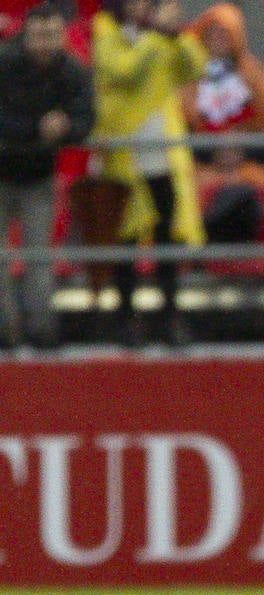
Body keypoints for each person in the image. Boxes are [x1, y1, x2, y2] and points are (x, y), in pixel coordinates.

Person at [91, 0, 206, 346]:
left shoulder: (164, 38)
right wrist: (158, 36)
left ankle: (169, 315)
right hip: (123, 156)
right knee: (125, 239)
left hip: (162, 155)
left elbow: (194, 67)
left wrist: (180, 36)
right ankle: (126, 317)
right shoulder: (106, 31)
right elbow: (123, 70)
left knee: (166, 237)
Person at [0, 1, 93, 348]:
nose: (45, 43)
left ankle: (42, 331)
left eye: (52, 35)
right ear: (26, 35)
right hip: (3, 172)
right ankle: (5, 332)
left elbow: (86, 115)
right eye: (39, 35)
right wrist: (36, 128)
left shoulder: (72, 70)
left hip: (39, 176)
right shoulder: (5, 63)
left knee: (40, 258)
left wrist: (67, 127)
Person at [181, 2, 264, 246]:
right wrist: (214, 152)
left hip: (251, 169)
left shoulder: (256, 77)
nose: (218, 40)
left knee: (263, 192)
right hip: (200, 170)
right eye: (211, 34)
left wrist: (243, 151)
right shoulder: (187, 80)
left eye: (224, 34)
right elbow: (179, 131)